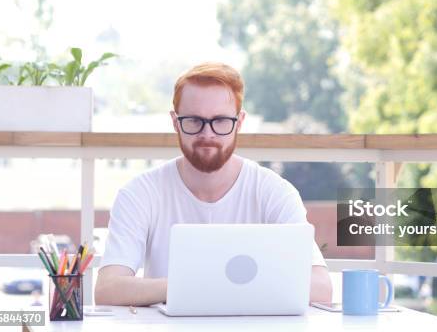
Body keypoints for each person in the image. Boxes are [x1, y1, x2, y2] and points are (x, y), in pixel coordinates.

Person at [95, 62, 333, 306]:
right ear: (175, 122)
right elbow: (107, 288)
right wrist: (193, 286)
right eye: (194, 120)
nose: (207, 134)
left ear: (239, 122)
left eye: (220, 121)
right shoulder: (140, 193)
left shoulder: (274, 192)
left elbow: (321, 288)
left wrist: (204, 286)